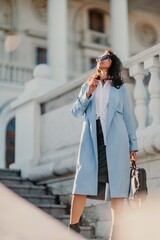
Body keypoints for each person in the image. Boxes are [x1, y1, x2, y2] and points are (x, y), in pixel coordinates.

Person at [69, 50, 138, 239]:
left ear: (112, 62)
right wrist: (89, 92)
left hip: (117, 138)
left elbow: (127, 118)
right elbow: (75, 112)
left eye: (104, 57)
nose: (100, 60)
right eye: (99, 58)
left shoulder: (119, 88)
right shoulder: (88, 85)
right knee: (81, 181)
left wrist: (133, 146)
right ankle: (72, 228)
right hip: (92, 137)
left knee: (118, 187)